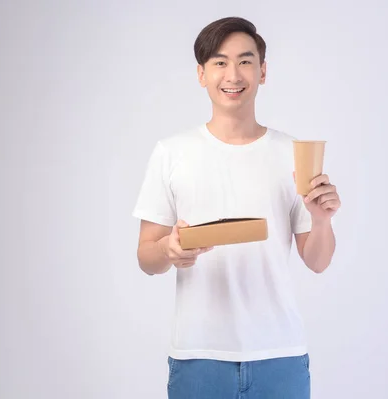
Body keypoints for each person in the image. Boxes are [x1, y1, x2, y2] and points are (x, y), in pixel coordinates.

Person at [132, 16, 341, 399]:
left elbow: (317, 260)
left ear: (263, 72)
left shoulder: (290, 152)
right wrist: (170, 249)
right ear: (201, 74)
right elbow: (147, 257)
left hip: (280, 354)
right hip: (198, 356)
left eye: (245, 61)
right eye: (219, 62)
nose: (233, 74)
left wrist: (321, 219)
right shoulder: (172, 153)